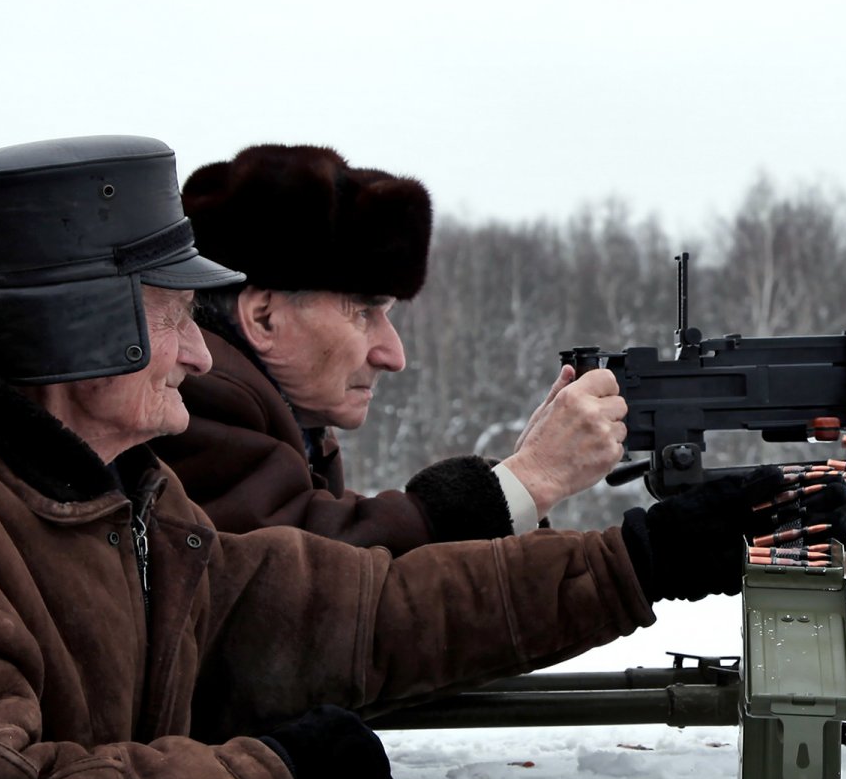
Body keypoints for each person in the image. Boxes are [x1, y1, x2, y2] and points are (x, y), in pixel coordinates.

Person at [0, 135, 775, 779]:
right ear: (82, 331)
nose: (200, 353)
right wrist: (272, 775)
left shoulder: (124, 501)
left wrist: (636, 561)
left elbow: (358, 613)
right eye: (173, 317)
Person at [151, 142, 621, 549]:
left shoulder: (287, 421)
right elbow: (340, 593)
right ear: (264, 317)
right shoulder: (192, 409)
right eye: (363, 312)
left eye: (387, 315)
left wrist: (523, 479)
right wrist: (529, 479)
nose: (393, 356)